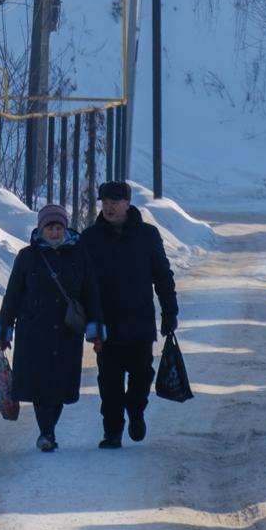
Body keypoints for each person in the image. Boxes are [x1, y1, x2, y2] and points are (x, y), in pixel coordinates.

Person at [0, 203, 107, 452]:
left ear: (65, 228)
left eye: (58, 227)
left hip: (67, 333)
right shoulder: (27, 257)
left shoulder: (79, 255)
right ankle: (46, 432)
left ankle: (49, 429)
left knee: (59, 387)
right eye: (50, 228)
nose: (54, 233)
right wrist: (5, 329)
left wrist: (96, 331)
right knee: (39, 385)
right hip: (34, 331)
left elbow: (91, 293)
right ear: (40, 229)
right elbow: (13, 295)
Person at [81, 180, 177, 448]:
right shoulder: (90, 239)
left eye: (114, 202)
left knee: (141, 375)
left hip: (139, 320)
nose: (109, 207)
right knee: (109, 382)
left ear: (127, 203)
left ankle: (136, 412)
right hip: (105, 322)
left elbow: (162, 275)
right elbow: (81, 282)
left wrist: (170, 311)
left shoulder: (147, 235)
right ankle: (112, 431)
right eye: (104, 202)